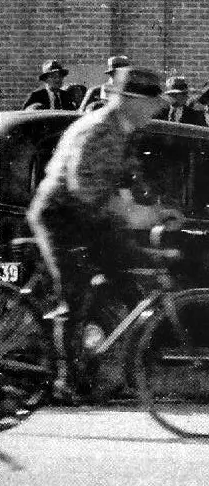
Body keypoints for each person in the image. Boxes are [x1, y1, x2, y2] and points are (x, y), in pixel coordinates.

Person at [24, 66, 170, 315]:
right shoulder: (100, 128)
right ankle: (65, 352)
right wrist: (131, 212)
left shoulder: (124, 129)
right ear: (131, 103)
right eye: (151, 104)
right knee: (74, 300)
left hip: (87, 214)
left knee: (126, 274)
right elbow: (83, 187)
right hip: (59, 216)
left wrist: (159, 210)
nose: (156, 110)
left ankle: (126, 345)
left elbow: (133, 177)